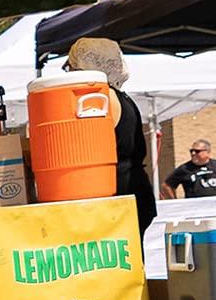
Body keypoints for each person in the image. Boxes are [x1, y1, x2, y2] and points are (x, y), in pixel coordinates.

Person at [65, 37, 155, 234]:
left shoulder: (98, 99)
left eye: (70, 67)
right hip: (134, 190)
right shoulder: (122, 98)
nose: (69, 74)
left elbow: (83, 150)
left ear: (85, 67)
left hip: (118, 195)